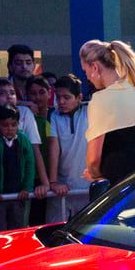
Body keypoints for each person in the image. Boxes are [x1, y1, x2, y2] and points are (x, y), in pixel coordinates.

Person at [80, 39, 135, 186]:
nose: (86, 77)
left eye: (85, 71)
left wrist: (94, 174)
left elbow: (93, 160)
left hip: (117, 185)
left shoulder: (100, 100)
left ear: (94, 67)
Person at [47, 74, 90, 223]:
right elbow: (54, 147)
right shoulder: (54, 116)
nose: (61, 102)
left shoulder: (90, 111)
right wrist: (53, 182)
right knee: (55, 230)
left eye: (66, 97)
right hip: (61, 187)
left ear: (79, 97)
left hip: (88, 187)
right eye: (58, 97)